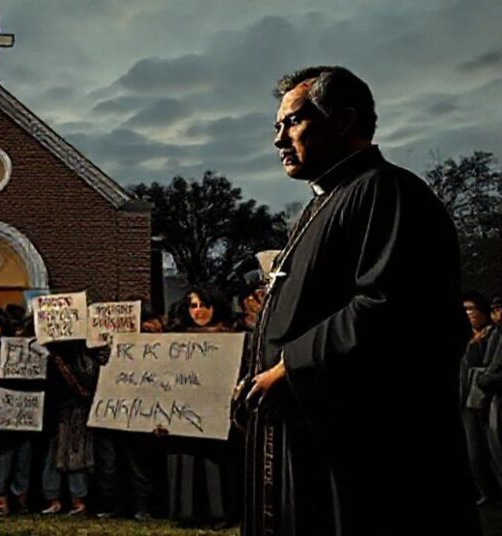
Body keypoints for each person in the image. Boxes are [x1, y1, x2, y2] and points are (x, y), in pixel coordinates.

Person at [241, 65, 480, 535]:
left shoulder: (388, 192)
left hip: (366, 453)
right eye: (277, 127)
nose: (278, 140)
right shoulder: (323, 202)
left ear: (344, 120)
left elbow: (387, 306)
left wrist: (289, 367)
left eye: (292, 122)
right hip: (306, 434)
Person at [165, 288, 233, 524]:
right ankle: (186, 514)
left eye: (204, 305)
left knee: (214, 463)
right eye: (194, 305)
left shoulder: (231, 338)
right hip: (183, 410)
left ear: (216, 307)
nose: (199, 311)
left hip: (216, 412)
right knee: (186, 460)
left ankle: (219, 513)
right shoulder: (177, 338)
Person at [93, 302, 163, 521]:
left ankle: (141, 507)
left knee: (138, 464)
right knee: (109, 465)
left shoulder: (155, 346)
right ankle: (113, 506)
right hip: (110, 409)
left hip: (139, 411)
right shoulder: (103, 349)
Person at [0, 310, 39, 517]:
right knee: (3, 459)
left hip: (26, 412)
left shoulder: (37, 351)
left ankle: (19, 499)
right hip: (5, 413)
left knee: (22, 459)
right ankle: (0, 499)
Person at [40, 338, 97, 518]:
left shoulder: (84, 356)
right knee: (54, 456)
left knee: (75, 456)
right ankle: (54, 499)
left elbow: (87, 385)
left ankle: (77, 500)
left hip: (76, 411)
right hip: (56, 410)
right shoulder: (50, 356)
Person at [460, 291, 502, 504]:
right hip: (469, 398)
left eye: (471, 309)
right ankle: (487, 491)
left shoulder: (493, 334)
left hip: (489, 397)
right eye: (465, 310)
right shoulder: (466, 336)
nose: (469, 314)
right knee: (475, 449)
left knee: (493, 447)